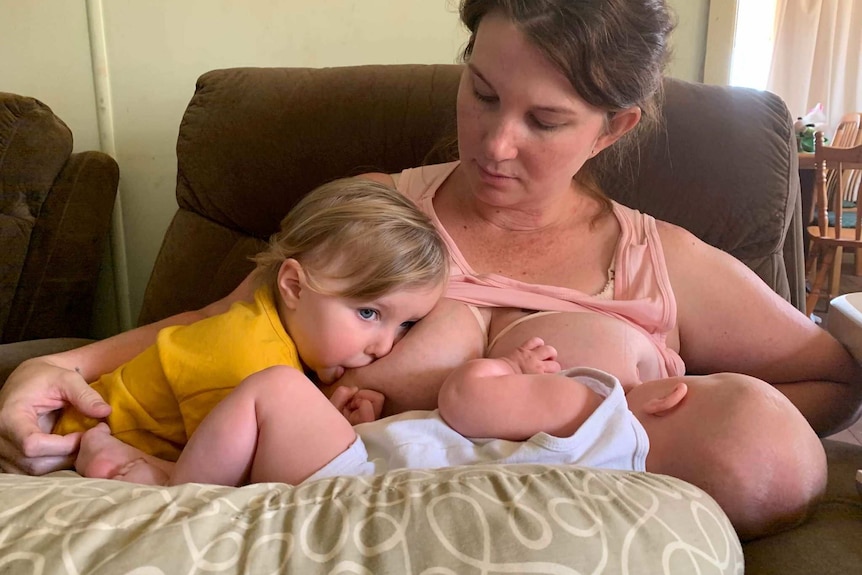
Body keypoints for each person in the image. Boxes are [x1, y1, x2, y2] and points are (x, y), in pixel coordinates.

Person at [1, 0, 859, 536]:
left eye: (546, 119)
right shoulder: (378, 212)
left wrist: (681, 447)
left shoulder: (661, 261)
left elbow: (833, 378)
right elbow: (219, 323)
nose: (494, 142)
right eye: (482, 91)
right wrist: (57, 365)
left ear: (614, 128)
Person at [78, 336, 825, 542]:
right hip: (371, 498)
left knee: (274, 389)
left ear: (673, 393)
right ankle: (167, 466)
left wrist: (510, 367)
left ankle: (178, 492)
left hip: (353, 476)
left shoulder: (601, 412)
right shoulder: (623, 489)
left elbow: (466, 402)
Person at [50, 176, 448, 475]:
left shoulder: (272, 327)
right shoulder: (245, 354)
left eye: (406, 324)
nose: (384, 346)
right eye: (368, 313)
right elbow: (216, 477)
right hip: (78, 440)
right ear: (293, 286)